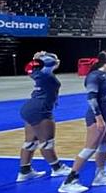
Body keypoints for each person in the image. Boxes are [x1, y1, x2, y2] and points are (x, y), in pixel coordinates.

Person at [58, 49, 106, 193]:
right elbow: (92, 98)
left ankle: (100, 175)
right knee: (91, 147)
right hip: (99, 115)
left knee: (105, 144)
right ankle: (69, 180)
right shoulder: (94, 76)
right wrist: (98, 118)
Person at [16, 51, 70, 182]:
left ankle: (25, 171)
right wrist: (42, 56)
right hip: (41, 110)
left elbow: (33, 66)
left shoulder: (38, 74)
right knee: (46, 142)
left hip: (30, 108)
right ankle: (57, 168)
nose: (58, 61)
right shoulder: (46, 74)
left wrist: (37, 58)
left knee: (30, 142)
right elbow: (50, 62)